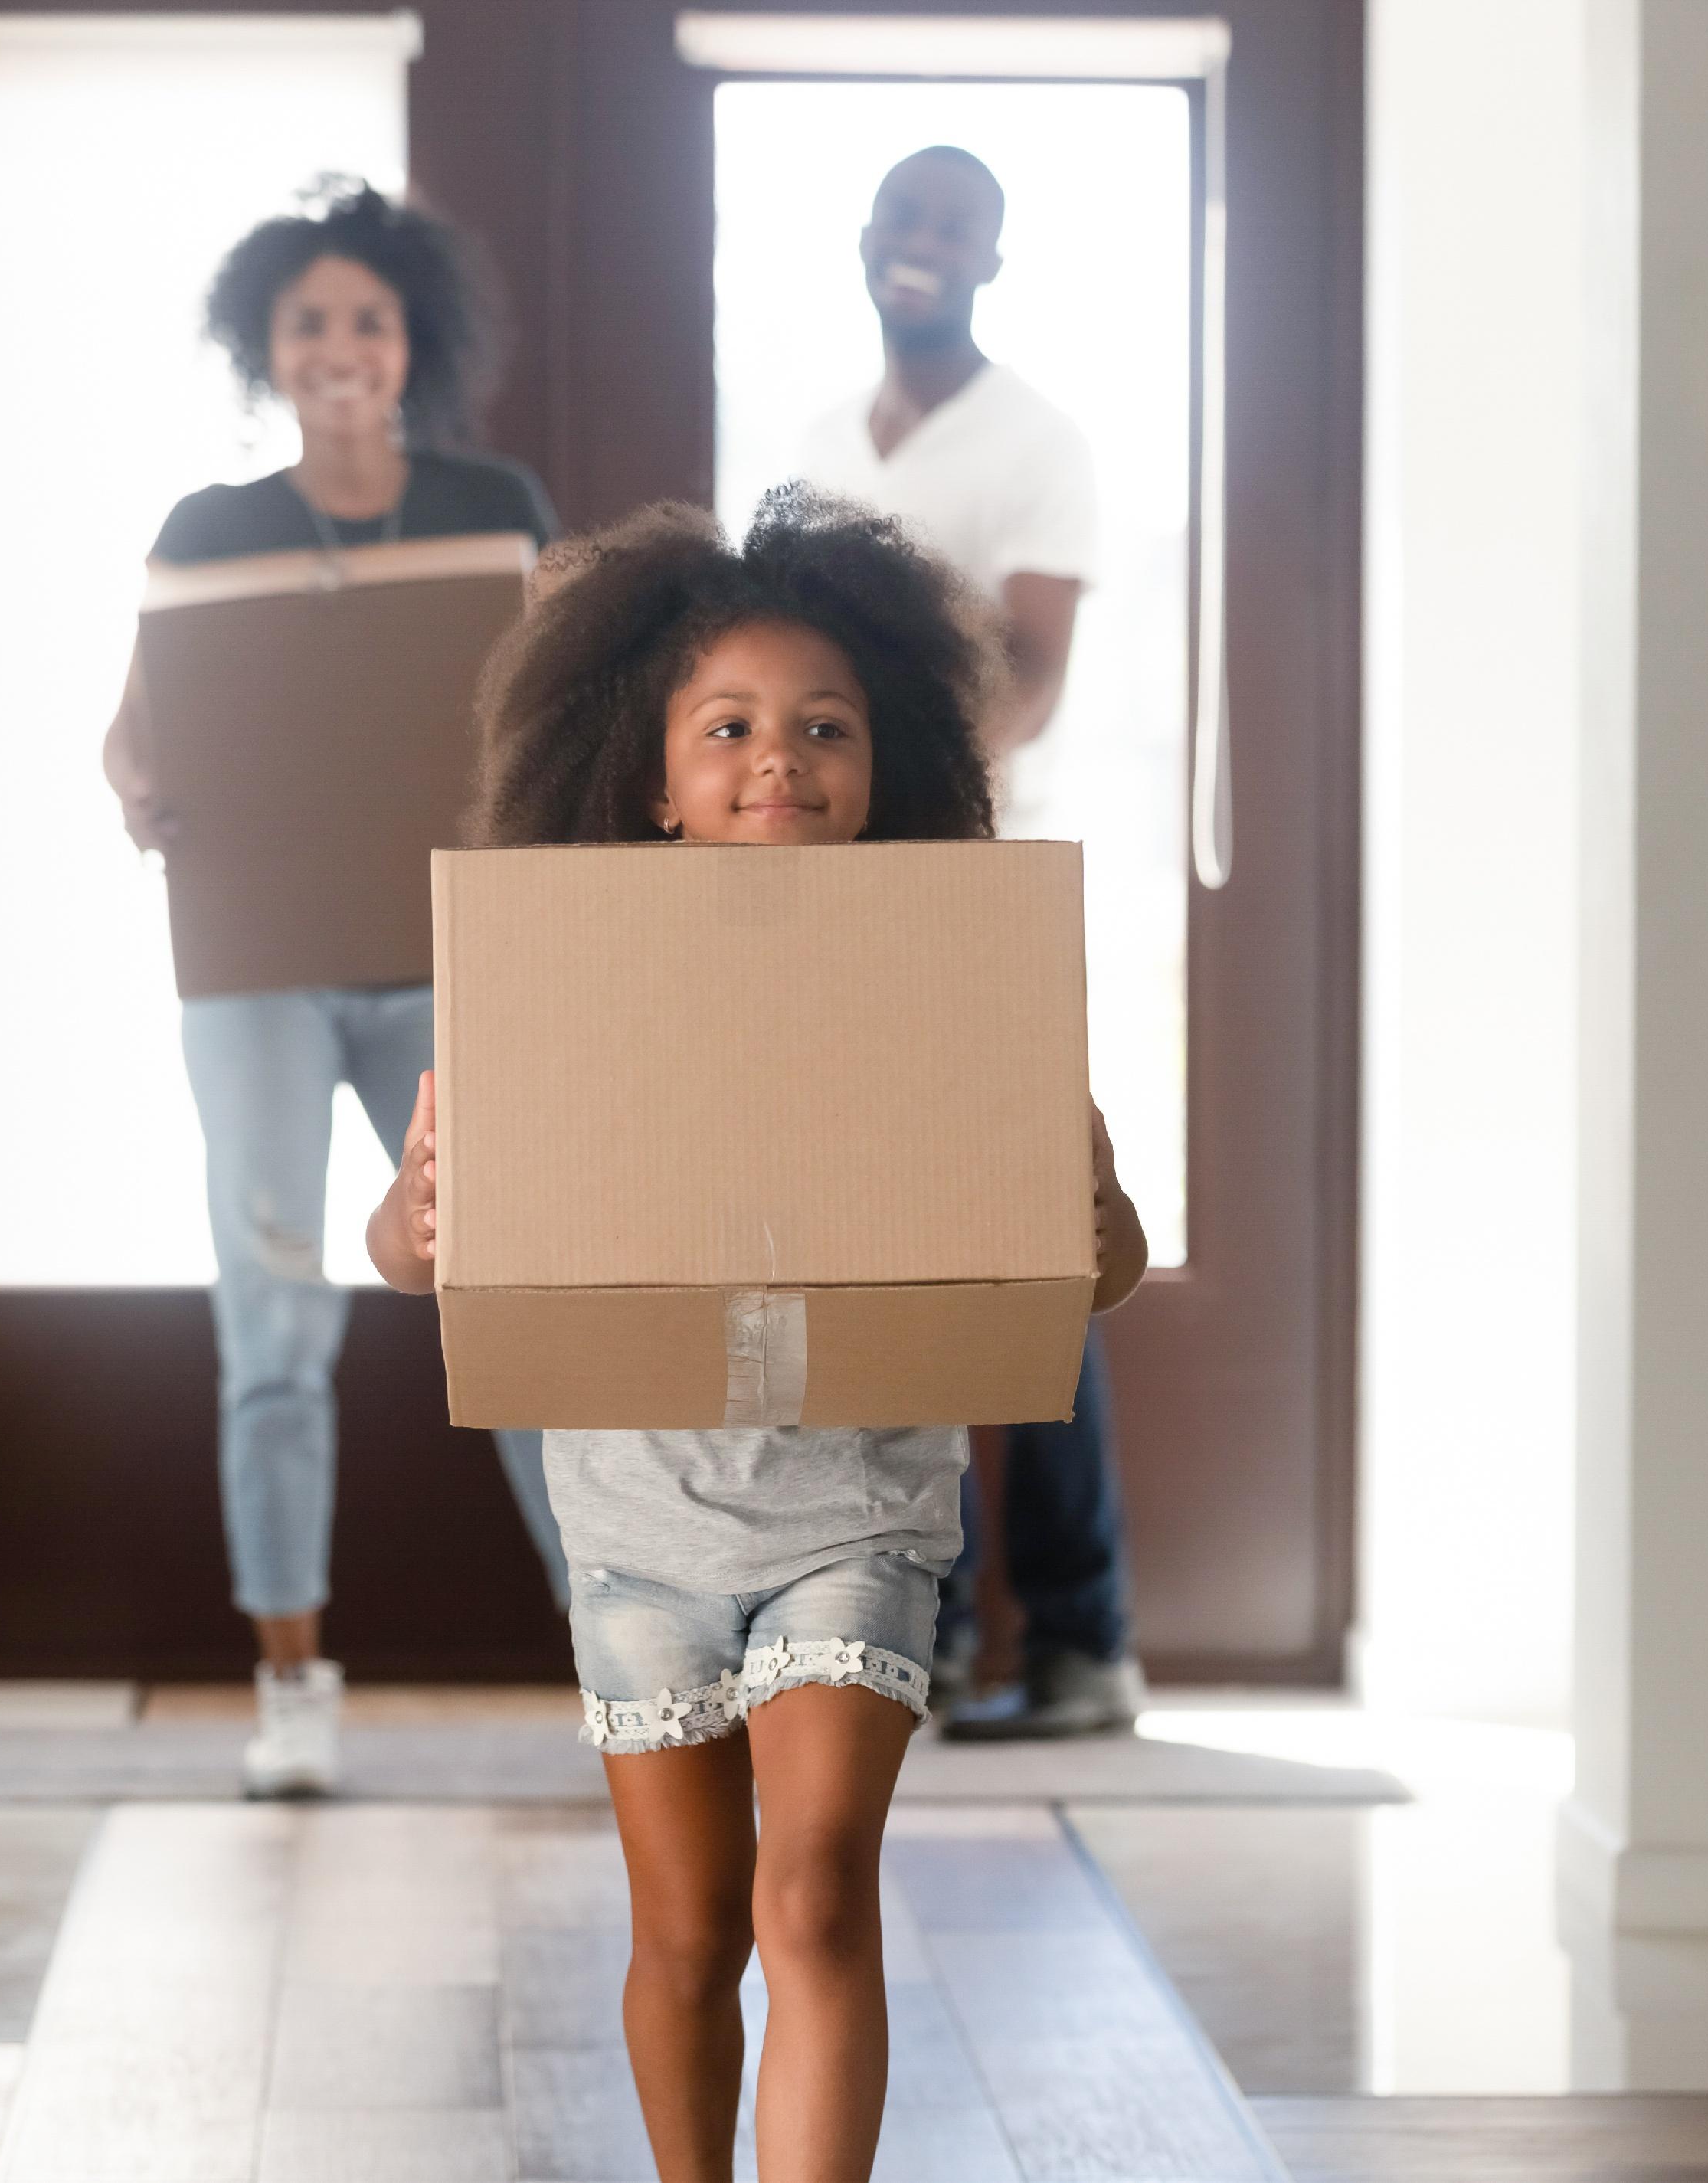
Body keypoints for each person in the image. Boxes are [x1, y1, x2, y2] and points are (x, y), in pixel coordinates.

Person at [368, 488, 1150, 2183]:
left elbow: (1094, 1266)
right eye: (726, 729)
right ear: (651, 776)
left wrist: (1094, 1215)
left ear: (885, 766)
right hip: (637, 1533)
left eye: (822, 728)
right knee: (687, 1931)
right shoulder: (559, 981)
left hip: (858, 1514)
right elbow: (416, 1252)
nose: (775, 760)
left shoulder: (952, 977)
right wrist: (416, 1216)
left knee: (814, 1897)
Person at [100, 181, 568, 1798]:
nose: (340, 346)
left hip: (454, 961)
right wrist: (139, 792)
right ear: (268, 347)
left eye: (367, 317)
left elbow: (572, 709)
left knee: (520, 1303)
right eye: (310, 322)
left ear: (412, 338)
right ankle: (292, 1686)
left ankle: (627, 1667)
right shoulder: (208, 530)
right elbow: (134, 731)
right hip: (259, 976)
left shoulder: (496, 502)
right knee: (274, 1324)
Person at [789, 145, 1145, 1737]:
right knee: (888, 1257)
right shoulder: (811, 450)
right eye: (900, 219)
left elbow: (1034, 678)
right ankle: (923, 1639)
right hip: (837, 909)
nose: (919, 246)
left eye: (954, 227)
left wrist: (920, 811)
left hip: (981, 890)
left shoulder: (1033, 443)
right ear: (865, 243)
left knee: (1028, 1252)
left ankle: (1080, 1642)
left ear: (990, 261)